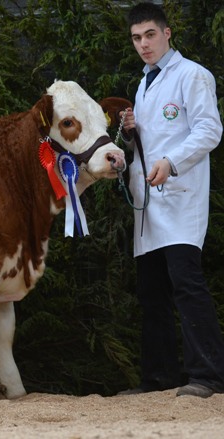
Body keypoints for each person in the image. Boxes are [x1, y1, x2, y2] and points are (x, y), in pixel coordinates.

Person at [118, 2, 224, 398]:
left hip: (179, 200)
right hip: (148, 206)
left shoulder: (192, 75)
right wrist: (131, 134)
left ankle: (209, 376)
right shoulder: (144, 84)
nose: (142, 44)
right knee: (151, 293)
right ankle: (159, 378)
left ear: (166, 33)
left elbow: (209, 129)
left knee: (186, 285)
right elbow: (151, 142)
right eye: (136, 38)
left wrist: (171, 161)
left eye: (149, 35)